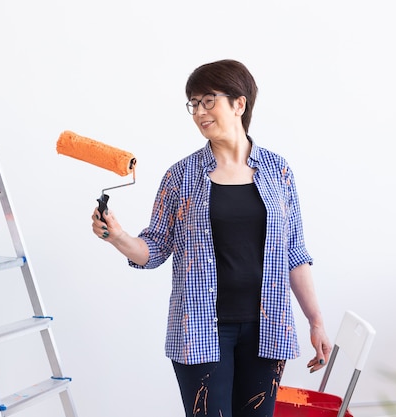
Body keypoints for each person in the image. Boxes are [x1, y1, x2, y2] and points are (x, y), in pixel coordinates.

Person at [90, 59, 331, 417]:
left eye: (208, 100)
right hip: (200, 330)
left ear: (239, 104)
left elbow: (294, 252)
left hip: (267, 327)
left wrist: (315, 321)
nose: (199, 112)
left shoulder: (278, 172)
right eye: (194, 103)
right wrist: (118, 236)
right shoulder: (181, 176)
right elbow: (154, 249)